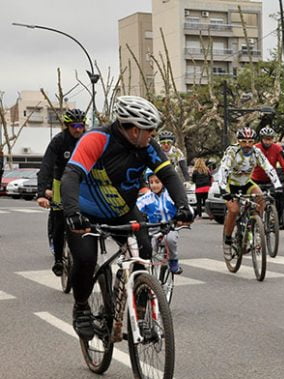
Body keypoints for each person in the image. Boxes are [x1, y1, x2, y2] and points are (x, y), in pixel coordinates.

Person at [61, 95, 193, 340]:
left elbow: (170, 176)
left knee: (144, 251)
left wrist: (183, 207)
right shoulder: (96, 139)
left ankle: (141, 313)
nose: (152, 136)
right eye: (149, 131)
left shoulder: (148, 146)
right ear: (133, 130)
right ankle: (81, 307)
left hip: (123, 210)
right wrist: (72, 213)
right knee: (86, 259)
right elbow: (71, 175)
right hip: (86, 213)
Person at [36, 108, 87, 276]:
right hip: (61, 182)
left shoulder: (88, 139)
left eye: (81, 125)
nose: (78, 129)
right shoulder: (59, 141)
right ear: (67, 126)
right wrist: (43, 192)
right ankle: (58, 259)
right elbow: (46, 166)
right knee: (59, 221)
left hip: (83, 181)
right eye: (74, 126)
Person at [220, 126, 283, 247]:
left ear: (254, 142)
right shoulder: (232, 151)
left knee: (261, 198)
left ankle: (254, 225)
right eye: (244, 141)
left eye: (250, 141)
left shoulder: (256, 152)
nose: (247, 144)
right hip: (231, 185)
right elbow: (224, 169)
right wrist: (223, 189)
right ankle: (228, 236)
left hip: (246, 183)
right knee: (234, 210)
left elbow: (268, 168)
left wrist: (278, 185)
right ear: (239, 141)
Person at [137, 170, 185, 274]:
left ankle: (173, 262)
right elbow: (135, 209)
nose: (154, 185)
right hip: (152, 229)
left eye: (157, 182)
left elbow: (184, 206)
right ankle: (147, 275)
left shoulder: (171, 196)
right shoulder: (146, 198)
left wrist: (182, 217)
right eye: (151, 182)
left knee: (170, 239)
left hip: (169, 228)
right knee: (147, 249)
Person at [252, 126, 284, 220]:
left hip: (270, 179)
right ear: (261, 139)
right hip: (255, 179)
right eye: (266, 139)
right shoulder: (255, 149)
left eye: (270, 139)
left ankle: (279, 219)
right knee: (254, 200)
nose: (268, 141)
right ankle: (253, 219)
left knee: (281, 194)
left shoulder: (277, 148)